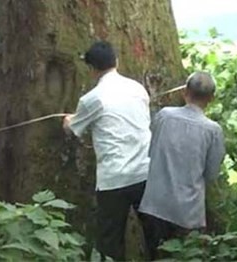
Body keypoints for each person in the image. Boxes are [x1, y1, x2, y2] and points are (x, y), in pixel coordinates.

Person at [63, 41, 151, 261]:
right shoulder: (137, 88)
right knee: (155, 235)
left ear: (92, 69)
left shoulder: (92, 99)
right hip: (145, 172)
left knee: (110, 243)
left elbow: (73, 129)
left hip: (114, 179)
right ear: (117, 62)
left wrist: (67, 119)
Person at [139, 72, 226, 259]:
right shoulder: (213, 131)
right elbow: (211, 174)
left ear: (185, 92)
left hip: (155, 205)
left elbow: (151, 150)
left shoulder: (163, 116)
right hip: (187, 212)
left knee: (155, 255)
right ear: (211, 98)